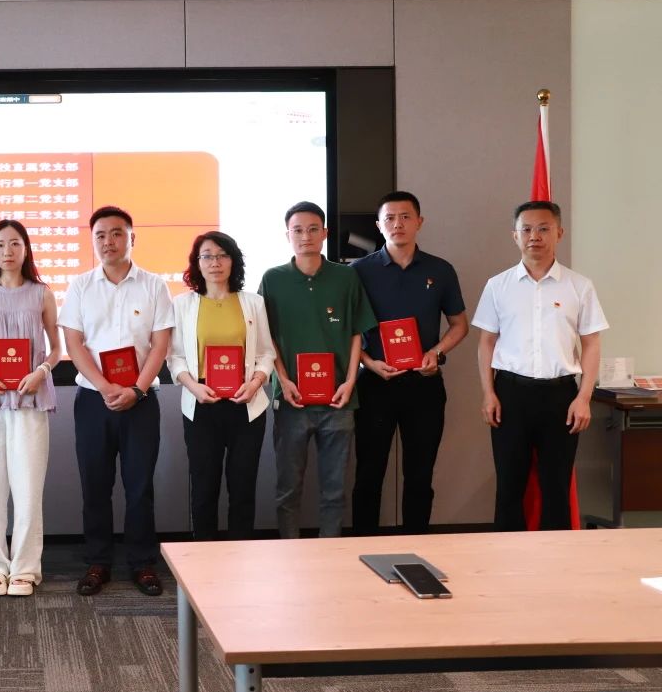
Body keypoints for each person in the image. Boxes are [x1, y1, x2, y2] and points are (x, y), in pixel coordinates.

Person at [59, 205, 174, 596]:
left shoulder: (154, 285)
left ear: (131, 237)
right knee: (95, 484)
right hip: (94, 400)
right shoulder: (80, 286)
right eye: (100, 235)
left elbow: (160, 344)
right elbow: (74, 343)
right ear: (93, 241)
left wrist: (137, 389)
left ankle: (142, 562)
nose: (108, 242)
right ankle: (98, 561)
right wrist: (106, 386)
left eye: (116, 233)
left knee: (139, 486)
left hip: (141, 400)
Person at [473, 201, 607, 531]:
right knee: (509, 486)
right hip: (510, 394)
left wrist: (584, 398)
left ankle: (557, 558)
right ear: (515, 236)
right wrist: (488, 393)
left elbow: (591, 344)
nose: (535, 236)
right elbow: (486, 343)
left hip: (560, 397)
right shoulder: (498, 285)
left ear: (559, 233)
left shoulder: (579, 286)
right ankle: (507, 554)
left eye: (544, 229)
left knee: (556, 487)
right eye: (527, 229)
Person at [350, 191, 468, 535]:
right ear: (379, 225)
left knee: (420, 474)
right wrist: (368, 363)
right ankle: (362, 544)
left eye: (405, 217)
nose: (397, 224)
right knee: (369, 473)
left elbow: (459, 324)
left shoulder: (440, 270)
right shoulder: (358, 271)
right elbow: (348, 330)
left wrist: (437, 353)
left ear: (420, 222)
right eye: (389, 218)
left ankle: (418, 544)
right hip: (375, 384)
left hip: (424, 384)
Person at [259, 201, 375, 539]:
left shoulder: (346, 276)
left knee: (334, 490)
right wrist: (283, 380)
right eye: (297, 230)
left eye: (313, 229)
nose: (305, 236)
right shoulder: (273, 279)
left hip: (339, 400)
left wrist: (350, 381)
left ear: (325, 233)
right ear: (287, 235)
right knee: (287, 488)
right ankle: (289, 552)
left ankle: (330, 554)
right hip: (291, 400)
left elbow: (356, 332)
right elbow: (266, 338)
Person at [0, 220, 60, 596]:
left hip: (30, 399)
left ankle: (24, 568)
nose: (7, 251)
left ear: (26, 249)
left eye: (15, 243)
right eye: (0, 244)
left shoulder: (42, 293)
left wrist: (41, 371)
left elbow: (56, 348)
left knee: (28, 487)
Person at [167, 231, 276, 541]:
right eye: (207, 256)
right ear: (197, 263)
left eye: (222, 255)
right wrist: (193, 387)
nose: (215, 262)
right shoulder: (183, 304)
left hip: (246, 404)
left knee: (243, 487)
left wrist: (255, 383)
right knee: (204, 487)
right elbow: (174, 357)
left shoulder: (253, 302)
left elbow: (266, 353)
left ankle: (240, 556)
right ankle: (203, 557)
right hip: (201, 404)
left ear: (233, 261)